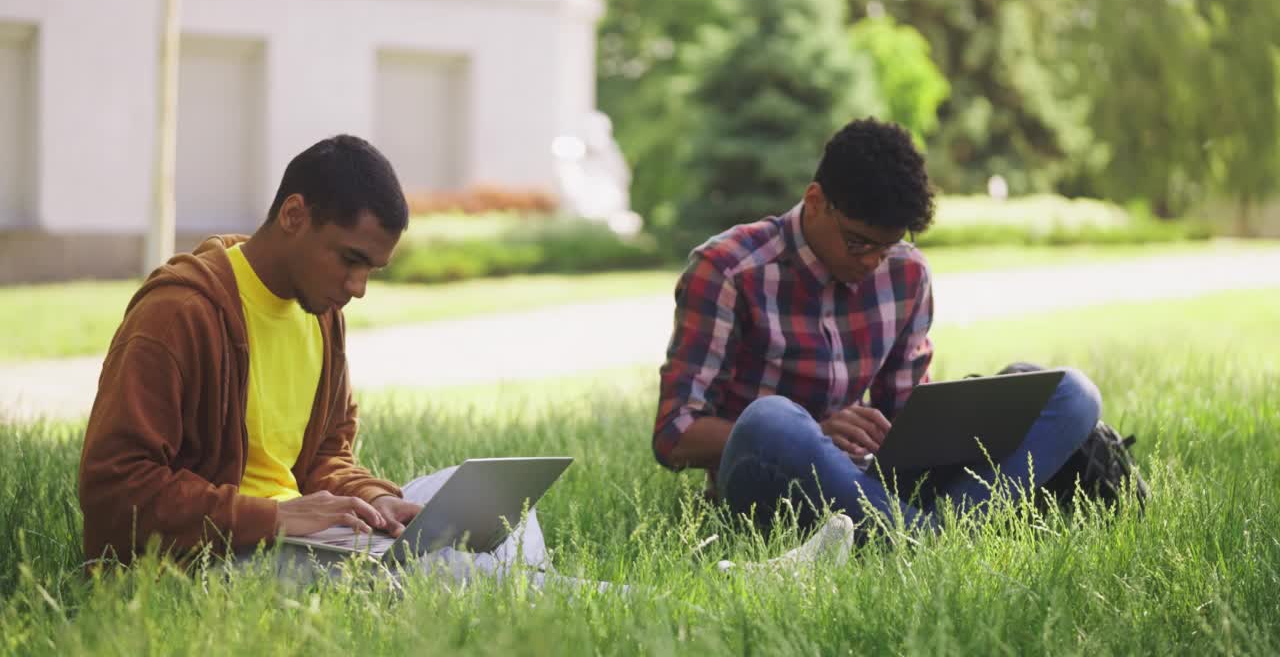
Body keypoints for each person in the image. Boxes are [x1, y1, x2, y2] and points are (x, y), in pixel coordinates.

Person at [77, 135, 566, 587]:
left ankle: (518, 586)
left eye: (370, 270)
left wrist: (376, 500)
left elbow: (326, 455)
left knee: (509, 510)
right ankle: (563, 595)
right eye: (350, 260)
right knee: (437, 570)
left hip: (309, 532)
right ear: (294, 215)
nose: (358, 287)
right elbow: (115, 488)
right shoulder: (178, 313)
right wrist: (275, 518)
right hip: (214, 556)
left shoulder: (320, 311)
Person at [653, 118, 1102, 548]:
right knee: (772, 419)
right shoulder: (727, 271)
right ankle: (938, 541)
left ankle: (926, 535)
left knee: (1073, 394)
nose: (872, 261)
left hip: (878, 482)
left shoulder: (906, 273)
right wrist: (817, 431)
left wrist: (953, 422)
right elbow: (675, 434)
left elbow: (906, 414)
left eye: (886, 247)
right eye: (858, 243)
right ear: (814, 201)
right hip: (771, 486)